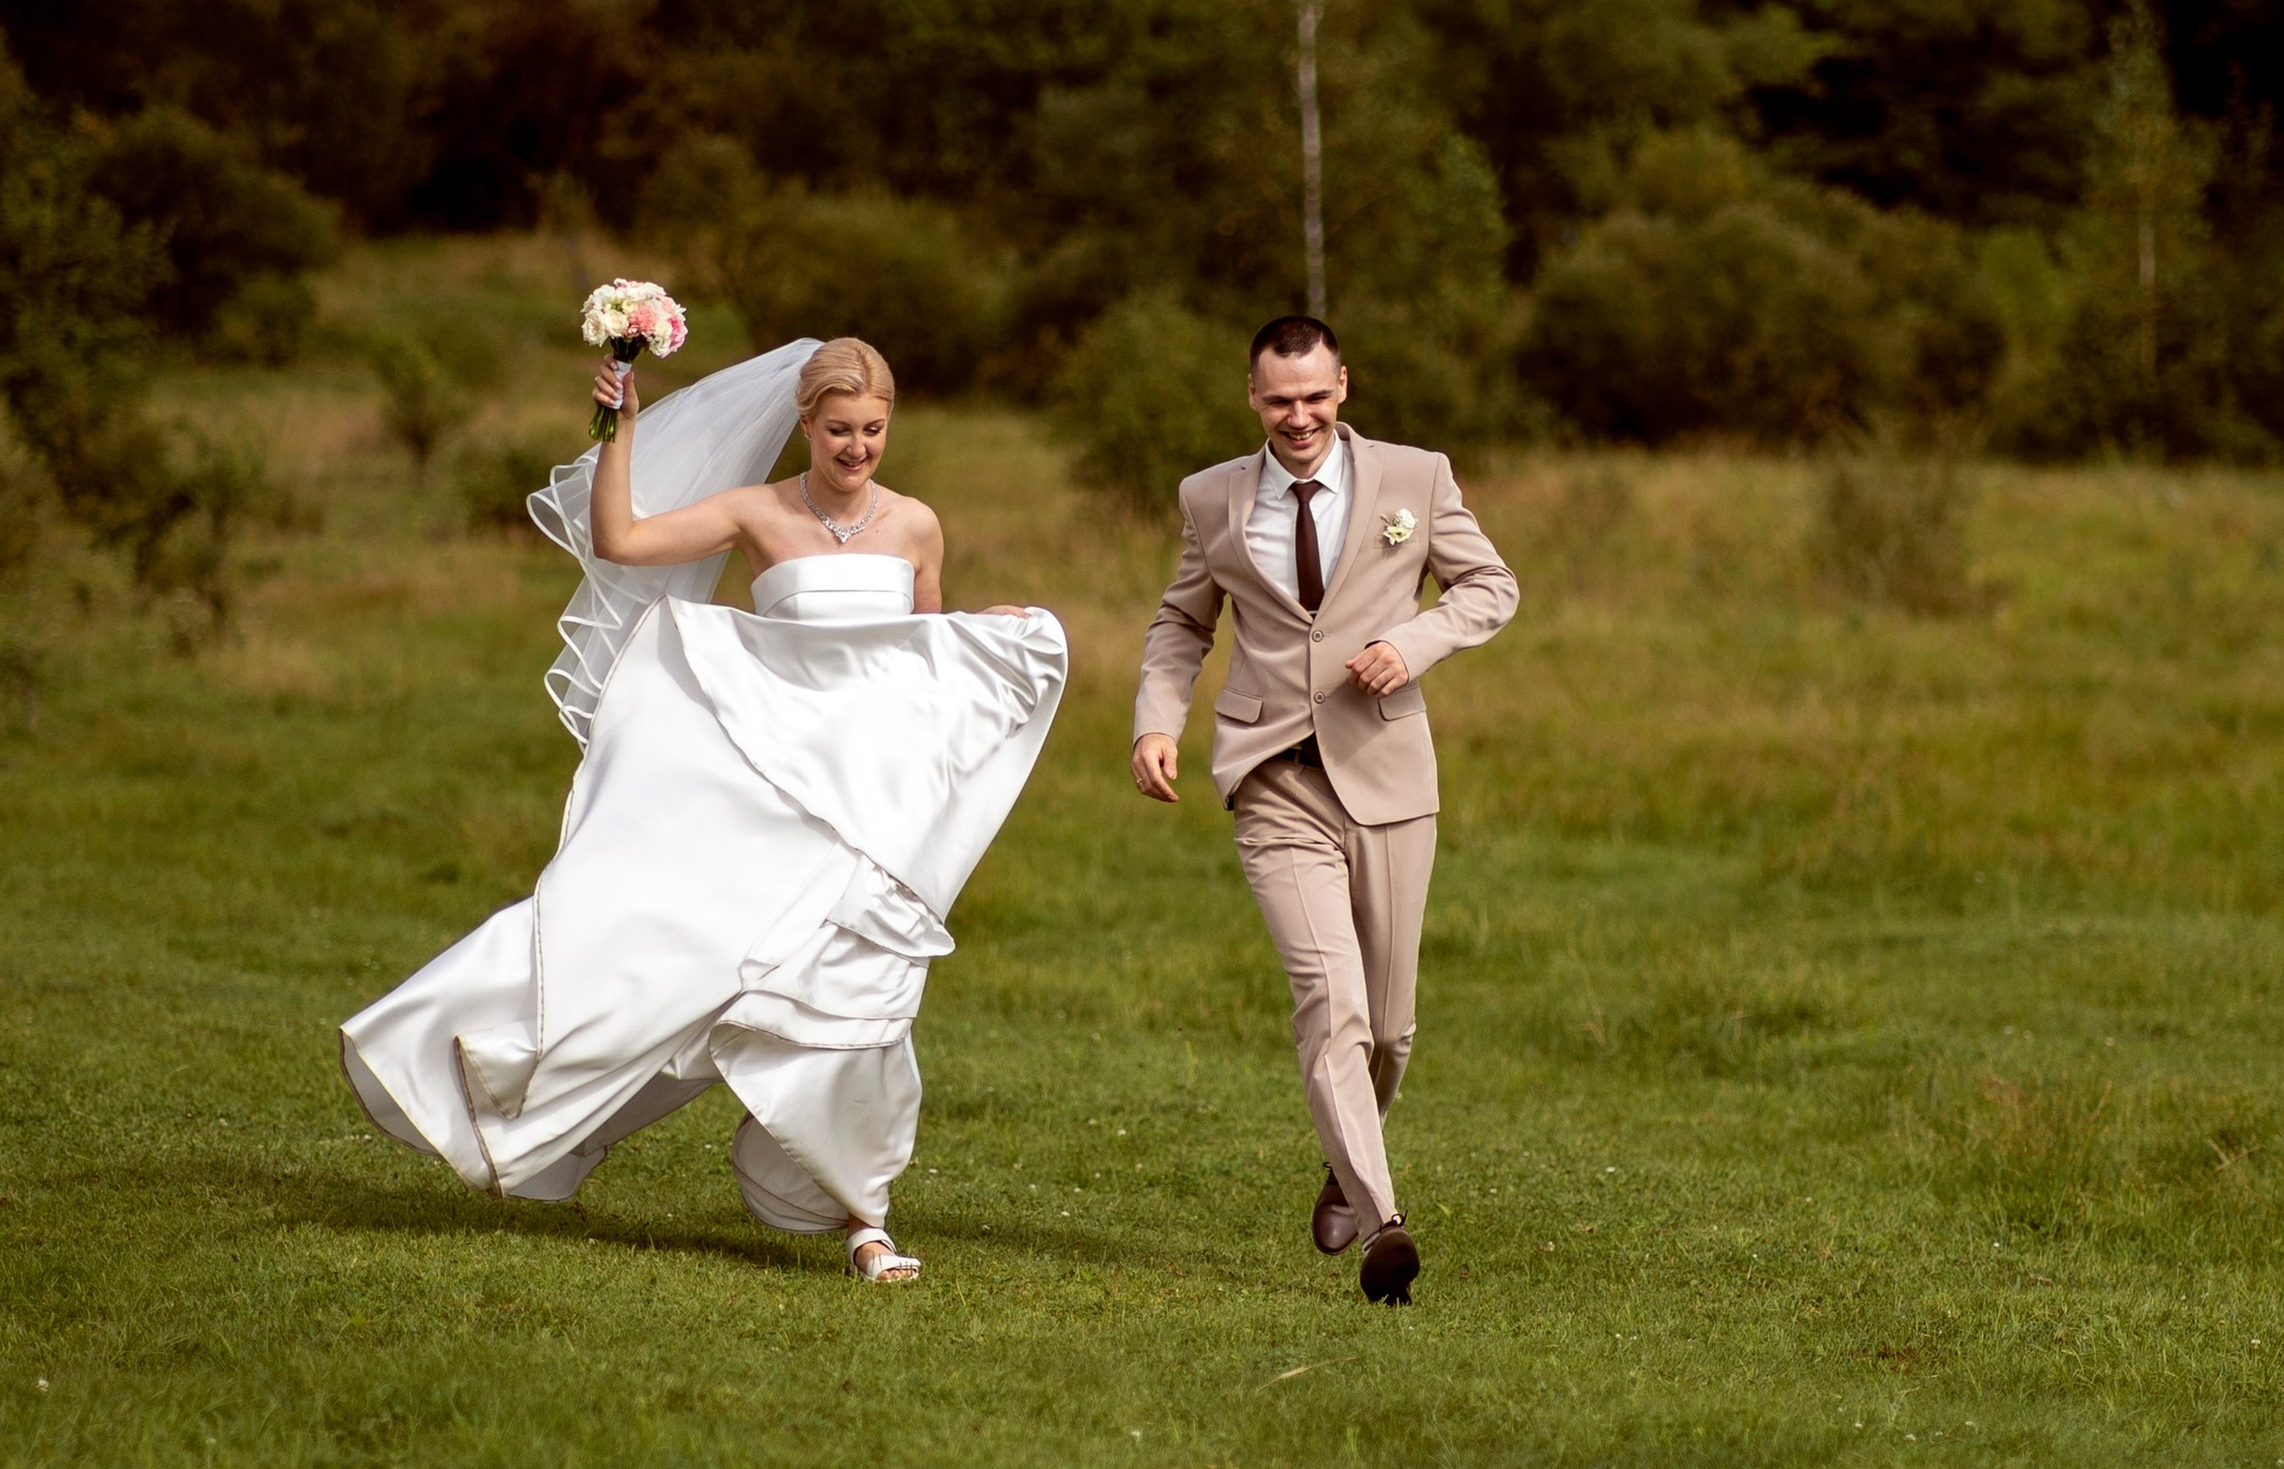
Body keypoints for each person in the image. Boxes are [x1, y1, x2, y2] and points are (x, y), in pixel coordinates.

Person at [342, 334, 1066, 1281]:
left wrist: (988, 632)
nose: (857, 448)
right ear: (804, 423)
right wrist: (621, 430)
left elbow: (917, 655)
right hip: (772, 782)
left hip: (869, 805)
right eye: (840, 429)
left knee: (865, 996)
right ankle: (488, 1064)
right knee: (669, 951)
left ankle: (864, 1220)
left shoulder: (917, 524)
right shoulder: (757, 511)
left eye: (874, 430)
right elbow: (624, 542)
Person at [1129, 315, 1517, 1304]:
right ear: (1251, 398)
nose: (1297, 417)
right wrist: (1154, 721)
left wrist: (1412, 643)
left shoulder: (1413, 478)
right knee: (1329, 1000)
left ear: (1343, 385)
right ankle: (1385, 1222)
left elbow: (1489, 588)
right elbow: (1182, 620)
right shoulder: (1210, 497)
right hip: (1271, 777)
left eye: (1314, 396)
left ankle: (1346, 1164)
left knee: (1389, 1027)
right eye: (1276, 400)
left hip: (1387, 773)